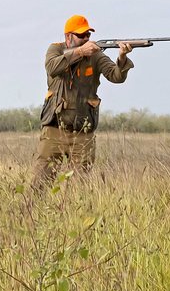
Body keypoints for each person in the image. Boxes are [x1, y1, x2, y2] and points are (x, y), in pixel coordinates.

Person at [33, 15, 134, 193]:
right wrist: (80, 52)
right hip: (54, 128)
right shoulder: (55, 49)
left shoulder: (96, 56)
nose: (86, 39)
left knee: (80, 186)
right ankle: (30, 215)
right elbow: (52, 68)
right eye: (81, 35)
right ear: (68, 37)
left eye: (88, 34)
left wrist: (122, 57)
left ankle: (74, 220)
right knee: (41, 181)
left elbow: (116, 76)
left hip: (83, 130)